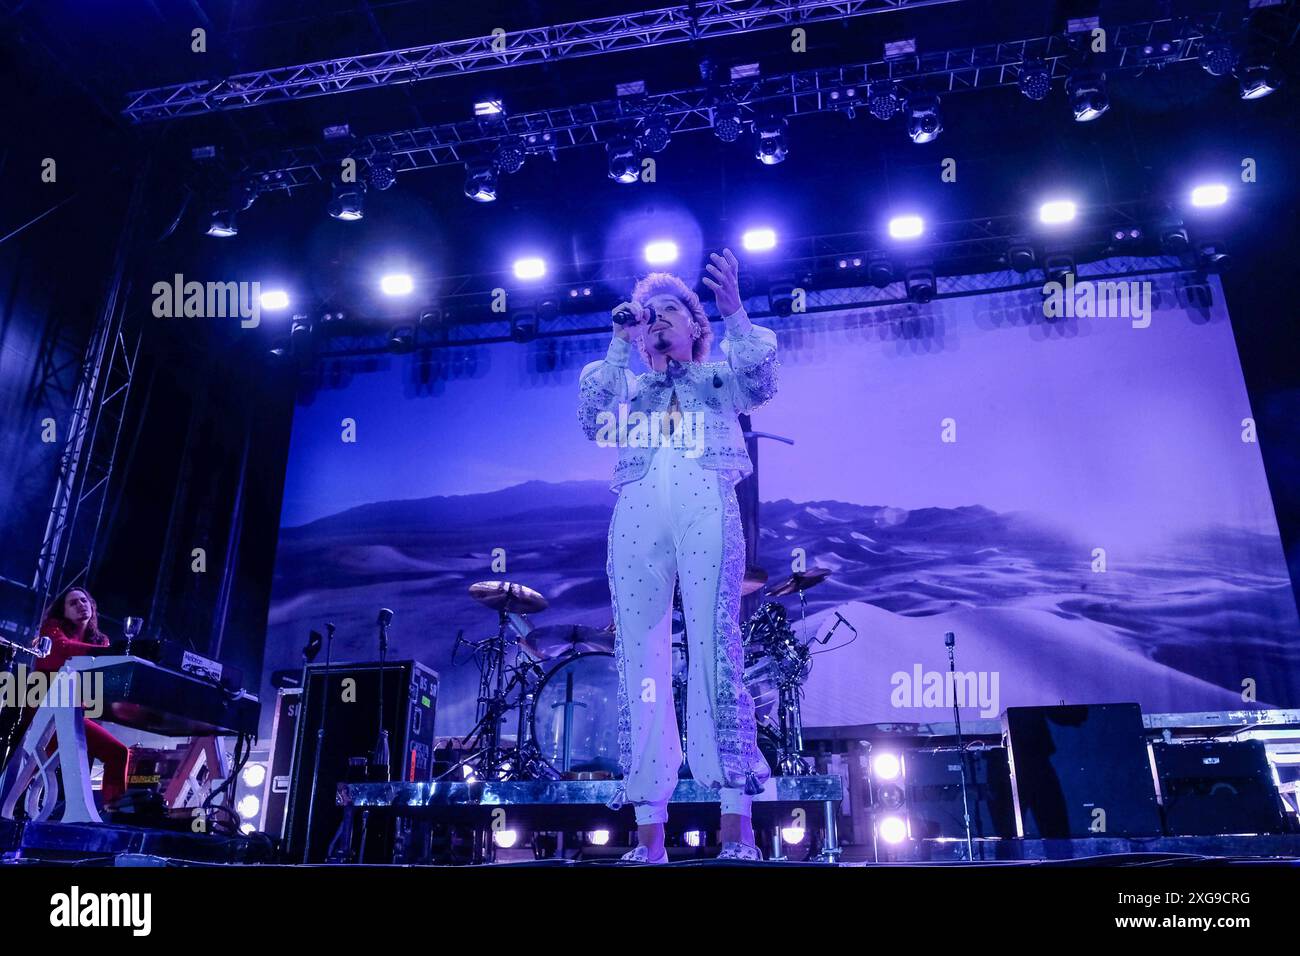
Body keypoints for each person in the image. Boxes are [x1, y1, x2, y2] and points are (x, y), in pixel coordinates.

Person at [577, 248, 778, 862]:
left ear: (696, 328)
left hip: (705, 508)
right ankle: (647, 834)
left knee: (717, 650)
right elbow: (591, 418)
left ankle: (736, 827)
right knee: (641, 664)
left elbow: (762, 381)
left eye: (670, 310)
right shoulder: (629, 387)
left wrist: (736, 312)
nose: (657, 319)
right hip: (636, 517)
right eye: (649, 314)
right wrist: (619, 340)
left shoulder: (717, 379)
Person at [16, 586, 129, 805]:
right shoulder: (52, 628)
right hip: (42, 713)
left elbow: (101, 681)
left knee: (118, 753)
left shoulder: (100, 641)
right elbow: (62, 650)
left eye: (84, 601)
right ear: (63, 611)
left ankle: (117, 812)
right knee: (25, 771)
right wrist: (110, 653)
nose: (80, 605)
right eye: (73, 603)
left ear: (92, 607)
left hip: (71, 715)